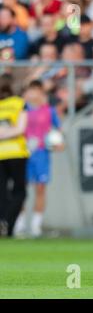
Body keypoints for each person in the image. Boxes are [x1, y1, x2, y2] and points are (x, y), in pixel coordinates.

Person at [13, 80, 63, 237]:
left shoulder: (49, 110)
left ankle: (36, 225)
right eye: (31, 90)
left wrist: (58, 143)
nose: (33, 94)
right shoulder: (20, 109)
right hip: (23, 152)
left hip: (41, 153)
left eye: (37, 90)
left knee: (40, 188)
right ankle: (18, 223)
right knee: (21, 188)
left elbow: (58, 131)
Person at [0, 73, 29, 237]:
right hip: (16, 152)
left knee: (1, 192)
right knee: (20, 191)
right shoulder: (19, 103)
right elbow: (20, 128)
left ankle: (2, 221)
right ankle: (8, 225)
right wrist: (8, 133)